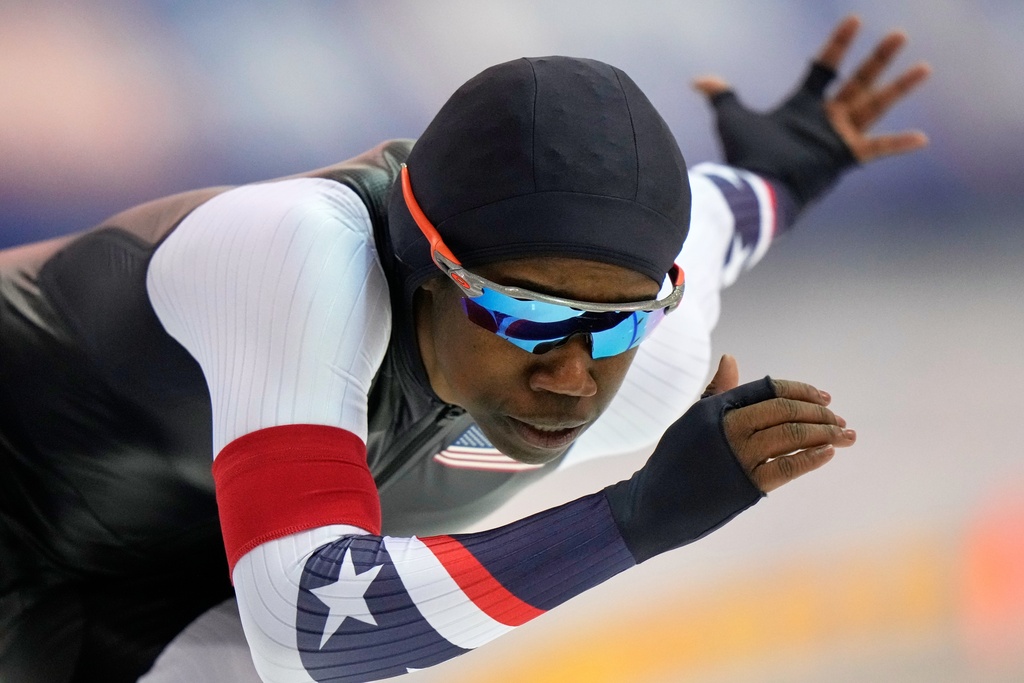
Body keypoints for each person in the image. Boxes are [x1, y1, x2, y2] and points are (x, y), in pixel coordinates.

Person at [0, 16, 928, 683]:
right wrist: (638, 517)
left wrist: (787, 168)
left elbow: (725, 218)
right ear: (423, 262)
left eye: (616, 323)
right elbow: (307, 620)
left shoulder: (661, 351)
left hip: (160, 584)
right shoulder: (297, 254)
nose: (573, 376)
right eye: (523, 312)